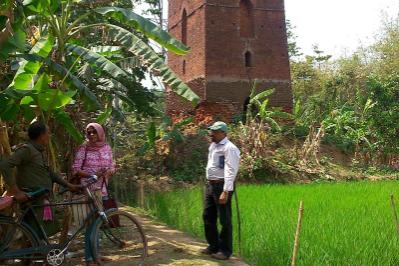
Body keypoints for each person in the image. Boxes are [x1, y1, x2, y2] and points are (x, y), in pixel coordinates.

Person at [0, 121, 80, 238]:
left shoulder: (38, 151)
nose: (49, 135)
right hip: (32, 197)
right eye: (48, 133)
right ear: (42, 135)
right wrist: (16, 191)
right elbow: (5, 165)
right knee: (32, 232)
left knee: (39, 233)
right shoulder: (27, 150)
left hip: (40, 197)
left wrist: (68, 185)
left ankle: (36, 252)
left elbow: (49, 173)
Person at [71, 122, 115, 266]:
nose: (91, 135)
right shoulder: (84, 148)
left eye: (93, 132)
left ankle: (96, 255)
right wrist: (93, 174)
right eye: (88, 132)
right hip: (88, 190)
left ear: (100, 133)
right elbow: (76, 169)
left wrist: (109, 171)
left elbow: (112, 166)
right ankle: (89, 259)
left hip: (102, 190)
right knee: (90, 225)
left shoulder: (107, 148)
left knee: (98, 224)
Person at [201, 121, 240, 260]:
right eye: (211, 131)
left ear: (223, 133)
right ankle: (213, 245)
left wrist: (226, 191)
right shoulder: (213, 146)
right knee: (207, 216)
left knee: (224, 219)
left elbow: (231, 170)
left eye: (215, 132)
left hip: (222, 186)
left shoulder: (230, 148)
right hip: (211, 186)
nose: (212, 134)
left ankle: (225, 251)